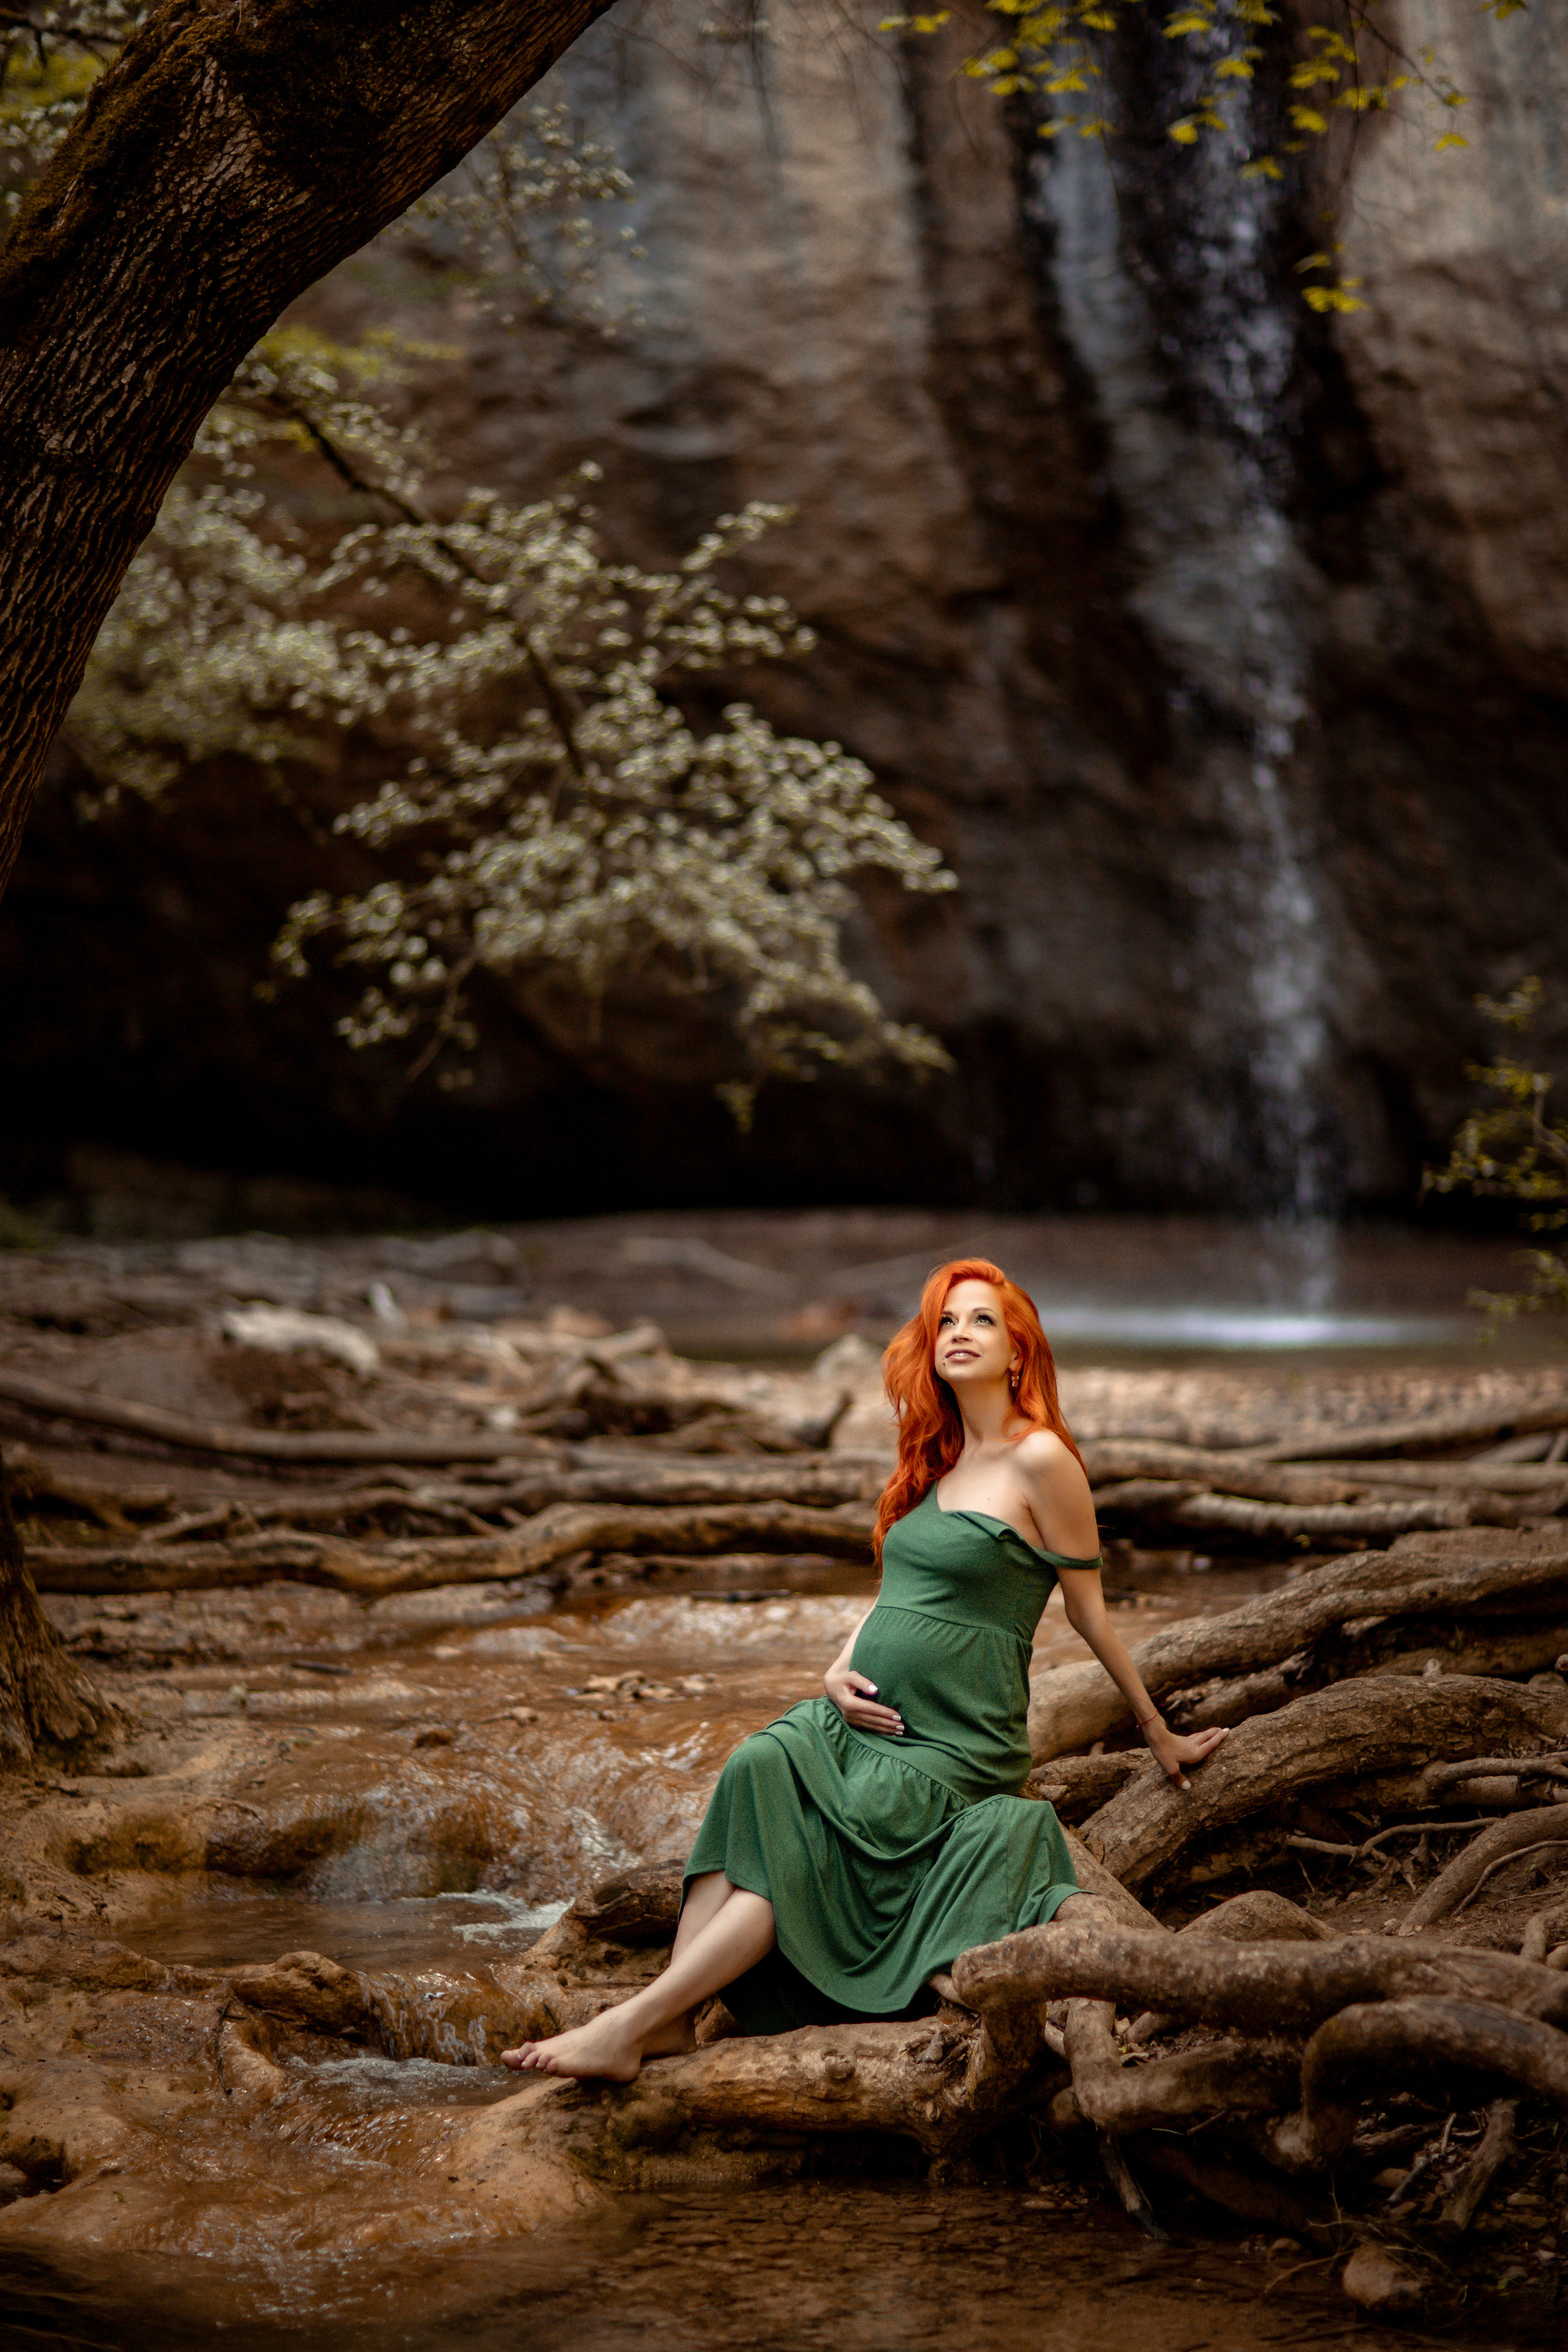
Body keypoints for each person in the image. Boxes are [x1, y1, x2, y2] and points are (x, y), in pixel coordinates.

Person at [501, 1257, 1228, 2082]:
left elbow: (1090, 1612)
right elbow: (898, 1597)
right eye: (947, 1321)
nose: (959, 1334)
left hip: (954, 1746)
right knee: (757, 1763)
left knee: (799, 1864)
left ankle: (631, 2025)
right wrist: (838, 1668)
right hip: (870, 1719)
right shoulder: (940, 1463)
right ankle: (670, 2015)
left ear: (1020, 1353)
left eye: (983, 1321)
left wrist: (1156, 1730)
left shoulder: (1043, 1461)